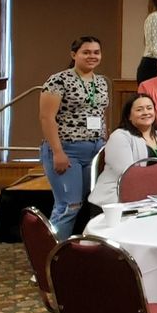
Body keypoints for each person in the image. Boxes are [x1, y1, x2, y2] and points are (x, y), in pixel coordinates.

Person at [38, 36, 109, 240]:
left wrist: (105, 144)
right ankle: (51, 255)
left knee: (91, 202)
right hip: (67, 149)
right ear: (74, 55)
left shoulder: (102, 82)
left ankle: (76, 253)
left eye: (96, 52)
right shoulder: (58, 80)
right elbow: (47, 117)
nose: (92, 56)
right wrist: (58, 152)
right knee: (70, 204)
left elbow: (100, 115)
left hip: (95, 150)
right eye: (86, 52)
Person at [89, 94, 157, 207]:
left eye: (149, 108)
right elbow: (129, 174)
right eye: (139, 110)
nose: (146, 112)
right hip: (118, 200)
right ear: (129, 116)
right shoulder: (120, 136)